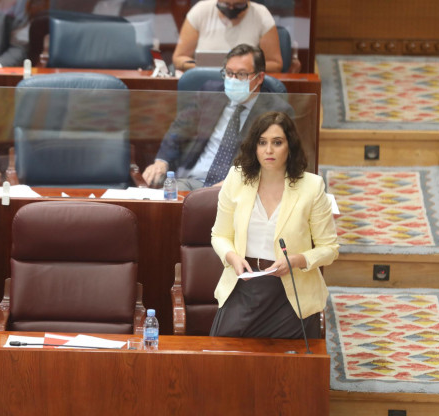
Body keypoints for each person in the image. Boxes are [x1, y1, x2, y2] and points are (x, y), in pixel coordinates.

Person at [209, 111, 339, 339]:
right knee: (224, 361)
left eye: (277, 143)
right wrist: (232, 257)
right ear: (254, 147)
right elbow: (218, 235)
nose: (268, 150)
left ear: (290, 146)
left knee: (285, 370)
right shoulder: (236, 178)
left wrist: (297, 260)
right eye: (262, 143)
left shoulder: (312, 186)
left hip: (291, 292)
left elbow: (329, 249)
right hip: (244, 284)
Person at [142, 44, 292, 190]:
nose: (233, 79)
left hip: (239, 188)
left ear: (260, 78)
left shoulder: (276, 111)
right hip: (191, 181)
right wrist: (162, 162)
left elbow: (276, 163)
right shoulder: (211, 93)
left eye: (241, 74)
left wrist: (231, 185)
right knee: (164, 203)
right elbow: (180, 129)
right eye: (229, 73)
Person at [173, 0, 283, 72]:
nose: (231, 8)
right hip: (203, 86)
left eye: (238, 5)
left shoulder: (261, 15)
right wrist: (203, 68)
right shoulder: (200, 11)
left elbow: (275, 64)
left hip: (244, 86)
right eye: (225, 4)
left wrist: (243, 70)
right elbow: (179, 58)